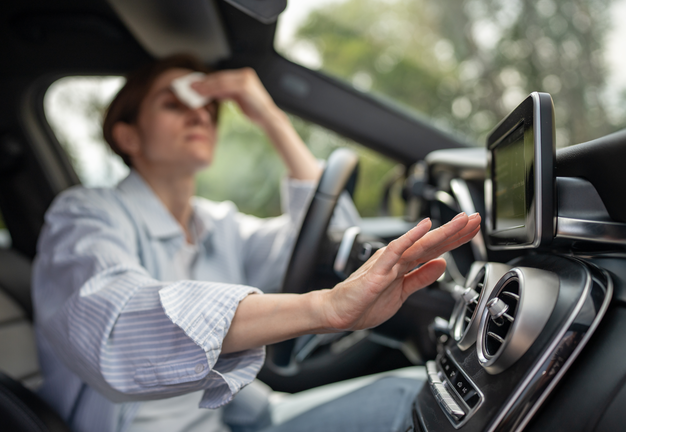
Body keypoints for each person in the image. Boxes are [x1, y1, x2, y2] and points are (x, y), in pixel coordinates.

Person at [32, 54, 481, 432]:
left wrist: (268, 114)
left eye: (209, 110)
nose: (199, 114)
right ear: (127, 135)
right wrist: (322, 309)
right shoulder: (84, 215)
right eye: (173, 104)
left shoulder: (219, 224)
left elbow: (331, 242)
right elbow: (117, 329)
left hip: (239, 419)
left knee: (420, 397)